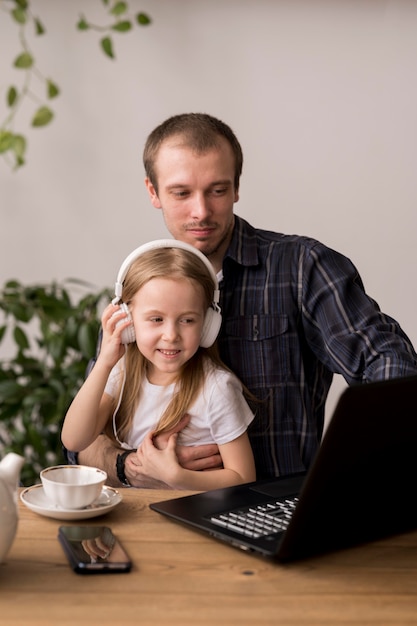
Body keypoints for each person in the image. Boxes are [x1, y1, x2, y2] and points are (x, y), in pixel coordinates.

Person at [71, 112, 417, 488]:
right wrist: (130, 465)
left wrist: (360, 471)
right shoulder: (143, 289)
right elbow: (81, 445)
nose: (201, 211)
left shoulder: (302, 267)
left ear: (236, 188)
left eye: (217, 190)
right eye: (182, 193)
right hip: (157, 520)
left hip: (277, 513)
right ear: (153, 192)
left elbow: (389, 364)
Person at [61, 240, 256, 490]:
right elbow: (74, 439)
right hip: (137, 516)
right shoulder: (122, 371)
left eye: (187, 320)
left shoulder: (216, 388)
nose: (171, 335)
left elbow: (243, 478)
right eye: (156, 319)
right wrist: (105, 362)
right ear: (128, 321)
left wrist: (176, 476)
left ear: (208, 324)